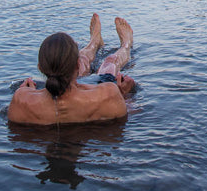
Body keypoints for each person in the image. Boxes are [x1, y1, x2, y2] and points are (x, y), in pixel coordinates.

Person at [8, 13, 136, 125]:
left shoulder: (21, 99)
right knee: (109, 62)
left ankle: (94, 42)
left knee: (82, 58)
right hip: (93, 88)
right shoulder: (108, 93)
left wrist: (27, 93)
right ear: (77, 65)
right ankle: (126, 44)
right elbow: (126, 117)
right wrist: (125, 95)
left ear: (40, 68)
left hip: (67, 84)